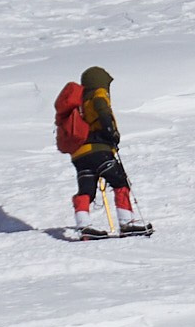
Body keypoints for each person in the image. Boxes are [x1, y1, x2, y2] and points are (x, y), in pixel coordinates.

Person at [64, 65, 150, 238]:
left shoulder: (77, 102)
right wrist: (112, 133)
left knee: (86, 189)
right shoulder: (98, 94)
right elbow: (104, 112)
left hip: (79, 153)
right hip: (99, 149)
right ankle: (127, 223)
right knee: (119, 181)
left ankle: (84, 226)